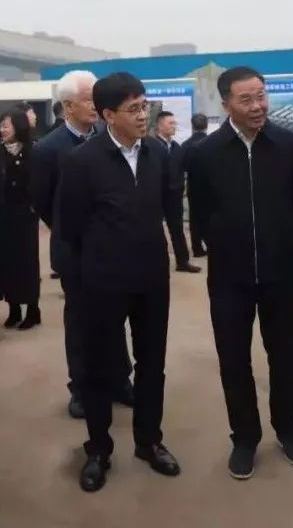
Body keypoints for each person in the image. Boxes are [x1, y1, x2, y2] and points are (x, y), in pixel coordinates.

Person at [59, 72, 181, 492]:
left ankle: (150, 442)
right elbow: (69, 229)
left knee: (152, 364)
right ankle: (98, 450)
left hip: (151, 280)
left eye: (145, 106)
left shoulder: (157, 154)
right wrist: (86, 277)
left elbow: (167, 209)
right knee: (98, 369)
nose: (143, 115)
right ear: (108, 115)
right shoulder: (82, 162)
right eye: (133, 109)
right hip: (102, 283)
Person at [187, 66, 293, 481]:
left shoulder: (291, 147)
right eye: (246, 99)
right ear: (226, 105)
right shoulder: (205, 154)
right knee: (233, 361)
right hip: (229, 279)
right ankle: (244, 438)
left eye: (261, 96)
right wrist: (224, 243)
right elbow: (200, 211)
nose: (258, 106)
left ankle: (289, 430)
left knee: (285, 358)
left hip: (282, 275)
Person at [30, 70, 134, 420]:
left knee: (115, 317)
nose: (96, 105)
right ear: (68, 106)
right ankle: (82, 387)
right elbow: (42, 201)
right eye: (89, 99)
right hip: (74, 251)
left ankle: (119, 380)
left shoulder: (111, 138)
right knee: (81, 322)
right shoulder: (48, 149)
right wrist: (69, 231)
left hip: (115, 248)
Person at [0, 109, 41, 329]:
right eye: (1, 125)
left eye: (7, 125)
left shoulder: (33, 151)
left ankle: (33, 309)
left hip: (24, 217)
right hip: (3, 216)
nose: (3, 129)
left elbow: (39, 183)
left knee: (26, 264)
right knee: (7, 264)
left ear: (19, 126)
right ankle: (14, 308)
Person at [154, 110, 201, 273]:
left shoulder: (176, 147)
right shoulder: (151, 146)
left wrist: (182, 186)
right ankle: (157, 263)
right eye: (170, 123)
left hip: (174, 194)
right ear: (160, 126)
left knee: (177, 228)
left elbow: (182, 169)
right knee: (154, 230)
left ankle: (183, 262)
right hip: (156, 195)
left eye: (174, 123)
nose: (174, 126)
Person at [181, 113, 210, 257]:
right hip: (211, 187)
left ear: (192, 126)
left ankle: (197, 249)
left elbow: (183, 167)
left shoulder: (185, 145)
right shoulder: (213, 143)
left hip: (193, 186)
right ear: (207, 125)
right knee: (211, 216)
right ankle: (213, 245)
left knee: (194, 219)